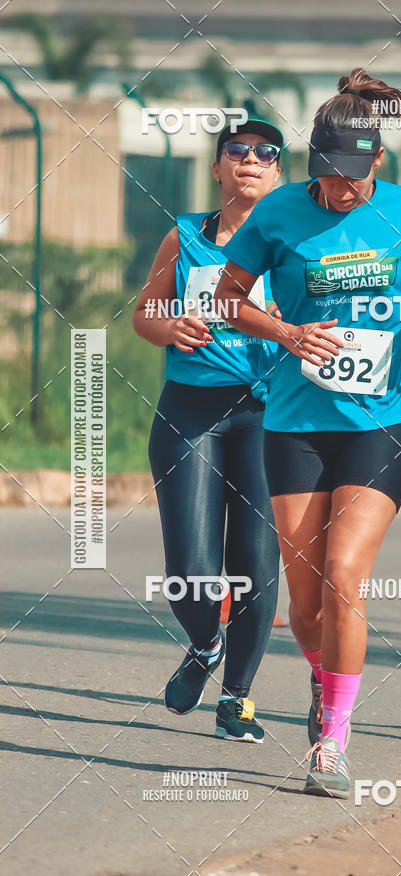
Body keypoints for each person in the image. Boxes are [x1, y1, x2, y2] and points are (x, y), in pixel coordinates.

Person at [213, 68, 401, 797]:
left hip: (381, 420)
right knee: (307, 602)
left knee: (345, 580)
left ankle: (332, 742)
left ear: (377, 164)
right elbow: (230, 301)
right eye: (327, 173)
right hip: (293, 423)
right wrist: (286, 332)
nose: (339, 188)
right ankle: (328, 685)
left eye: (353, 176)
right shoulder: (279, 213)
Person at [133, 117, 284, 743]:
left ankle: (238, 701)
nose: (249, 160)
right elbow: (145, 308)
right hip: (190, 411)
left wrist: (283, 321)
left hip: (270, 416)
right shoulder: (187, 235)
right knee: (191, 568)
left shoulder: (295, 244)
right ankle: (204, 644)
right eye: (236, 152)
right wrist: (167, 327)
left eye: (264, 153)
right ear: (218, 168)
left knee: (254, 561)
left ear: (279, 173)